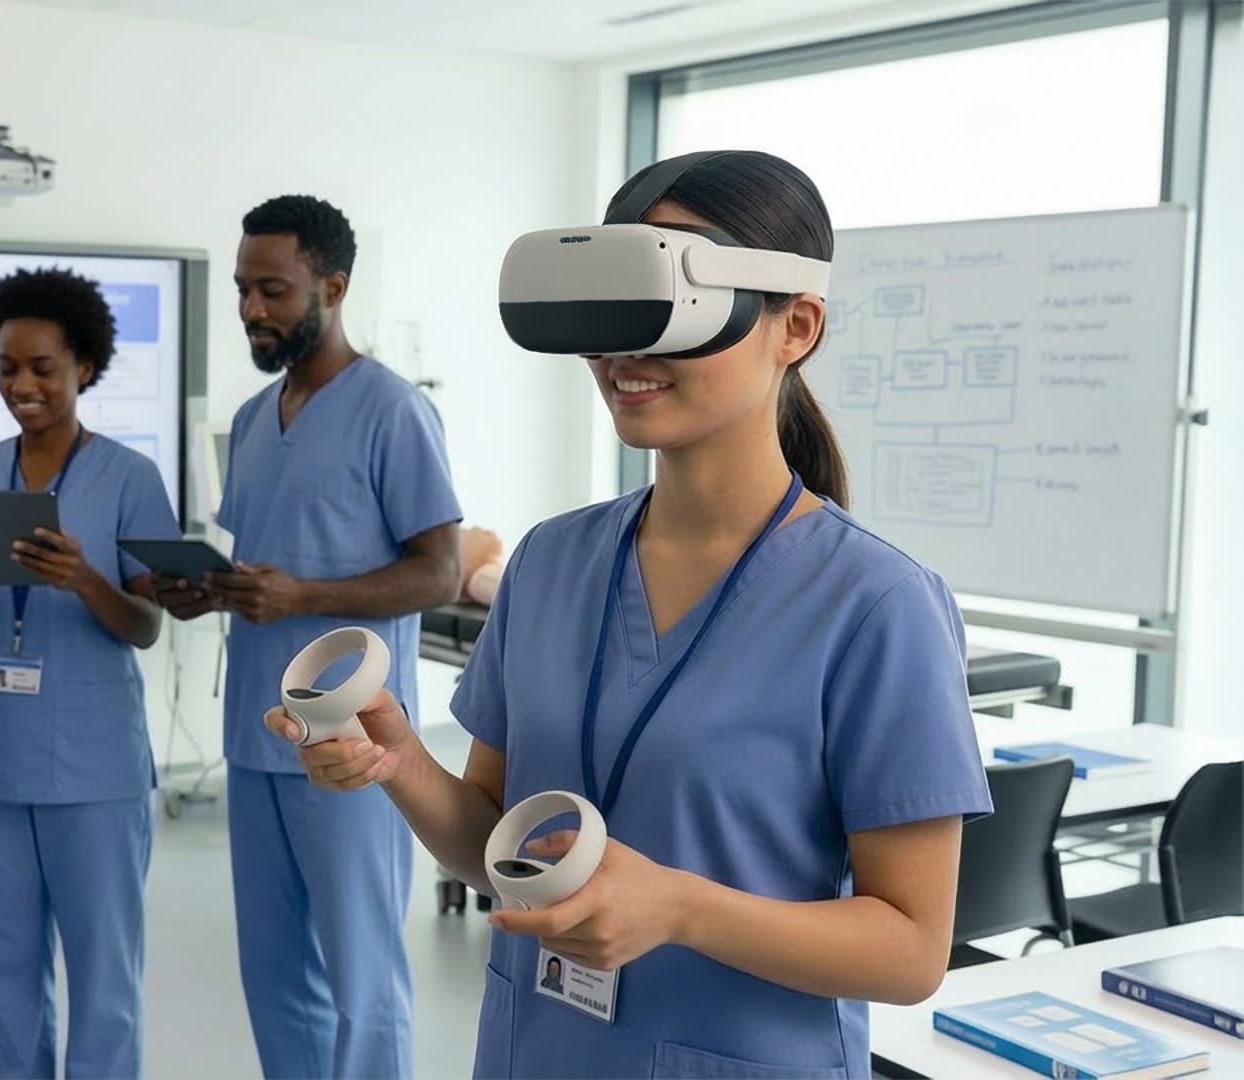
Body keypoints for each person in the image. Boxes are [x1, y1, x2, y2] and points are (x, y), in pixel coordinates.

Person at [268, 151, 993, 1078]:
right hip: (538, 1049)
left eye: (670, 304)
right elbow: (499, 847)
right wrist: (399, 758)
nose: (622, 352)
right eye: (610, 307)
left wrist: (679, 908)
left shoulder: (876, 605)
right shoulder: (551, 562)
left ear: (796, 325)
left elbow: (911, 950)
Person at [153, 195, 462, 1079]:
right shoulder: (254, 422)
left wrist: (304, 597)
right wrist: (205, 592)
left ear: (333, 286)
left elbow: (438, 573)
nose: (252, 309)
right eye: (245, 290)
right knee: (274, 973)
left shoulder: (393, 411)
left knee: (361, 978)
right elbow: (269, 569)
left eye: (273, 291)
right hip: (258, 738)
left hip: (356, 745)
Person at [0, 267, 180, 1079]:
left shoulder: (129, 478)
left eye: (42, 369)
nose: (21, 386)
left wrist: (84, 580)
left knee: (105, 978)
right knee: (8, 975)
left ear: (85, 370)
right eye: (6, 368)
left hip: (94, 767)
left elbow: (144, 626)